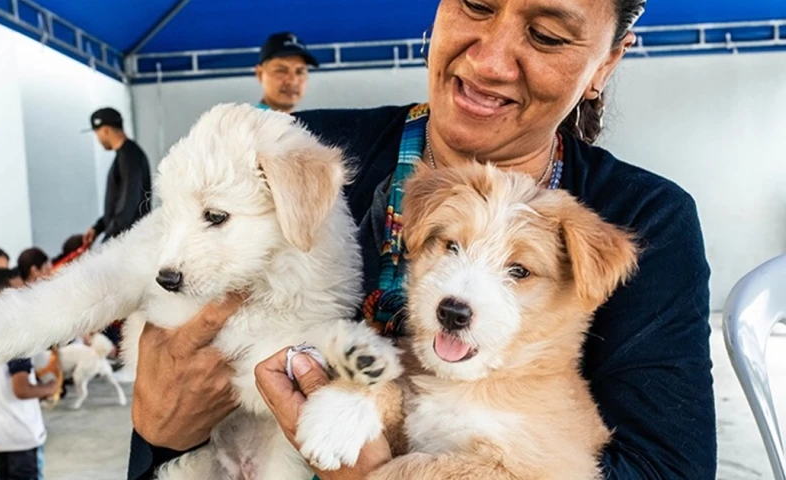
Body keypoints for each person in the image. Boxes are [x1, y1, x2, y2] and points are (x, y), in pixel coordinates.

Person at [127, 1, 717, 479]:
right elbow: (170, 342)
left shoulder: (648, 218)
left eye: (546, 35)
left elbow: (666, 468)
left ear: (606, 62)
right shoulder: (305, 155)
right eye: (476, 5)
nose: (490, 61)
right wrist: (156, 431)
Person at [0, 268, 58, 480]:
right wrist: (49, 388)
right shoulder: (15, 337)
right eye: (19, 292)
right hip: (21, 435)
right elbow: (21, 388)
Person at [82, 107, 153, 246]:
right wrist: (98, 228)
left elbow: (128, 206)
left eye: (97, 133)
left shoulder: (130, 157)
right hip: (125, 242)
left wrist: (107, 243)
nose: (98, 139)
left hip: (130, 244)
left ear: (105, 130)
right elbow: (117, 203)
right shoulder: (125, 156)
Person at [254, 32, 318, 113]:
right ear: (260, 74)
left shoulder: (302, 120)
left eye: (300, 71)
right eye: (281, 71)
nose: (293, 81)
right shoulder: (249, 120)